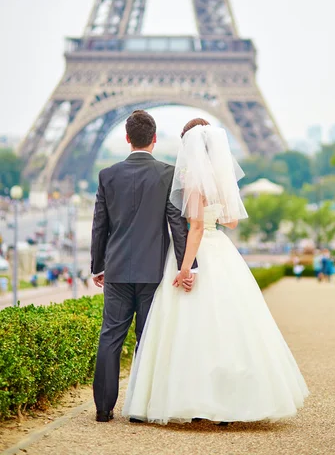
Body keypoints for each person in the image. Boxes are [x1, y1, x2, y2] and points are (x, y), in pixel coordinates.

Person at [123, 118, 309, 424]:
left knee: (189, 328)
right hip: (221, 249)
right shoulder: (222, 179)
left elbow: (194, 228)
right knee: (227, 326)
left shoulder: (193, 179)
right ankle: (229, 402)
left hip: (198, 252)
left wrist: (185, 268)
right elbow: (232, 222)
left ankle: (195, 400)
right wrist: (214, 213)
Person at [91, 110, 195, 423]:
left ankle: (103, 409)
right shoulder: (167, 173)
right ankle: (139, 408)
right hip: (153, 271)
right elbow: (176, 224)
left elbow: (100, 225)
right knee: (147, 339)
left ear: (127, 139)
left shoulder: (107, 175)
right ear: (154, 139)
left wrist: (98, 266)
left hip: (118, 270)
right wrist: (186, 265)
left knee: (110, 337)